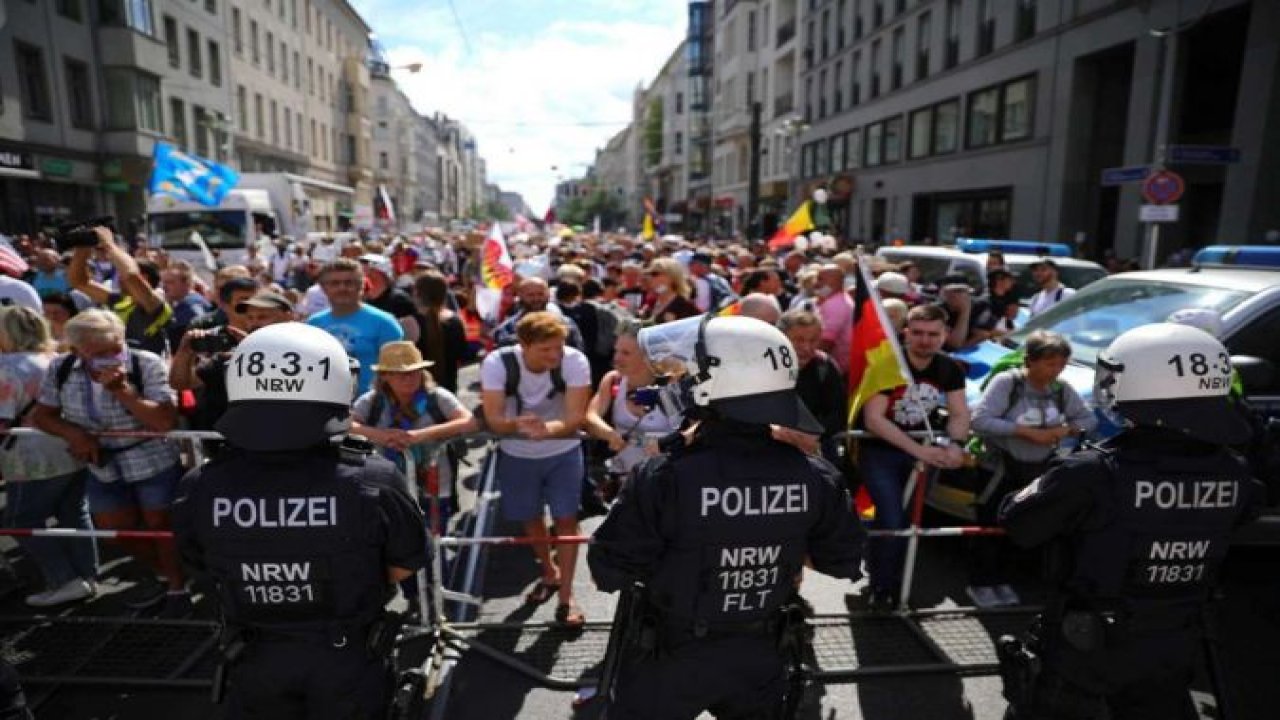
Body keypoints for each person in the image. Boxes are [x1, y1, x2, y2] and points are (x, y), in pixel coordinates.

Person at [588, 315, 866, 719]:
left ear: (715, 382)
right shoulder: (815, 474)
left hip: (668, 656)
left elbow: (608, 570)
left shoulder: (665, 475)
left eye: (689, 372)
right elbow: (842, 561)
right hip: (762, 656)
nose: (679, 381)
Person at [998, 323, 1264, 720]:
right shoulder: (1238, 474)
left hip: (1085, 656)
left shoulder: (1091, 473)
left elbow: (1018, 523)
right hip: (1174, 648)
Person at [172, 323, 427, 718]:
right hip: (347, 661)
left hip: (252, 659)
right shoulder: (374, 479)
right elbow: (403, 564)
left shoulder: (200, 485)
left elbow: (200, 564)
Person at [30, 310, 190, 616]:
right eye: (98, 353)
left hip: (151, 459)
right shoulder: (61, 367)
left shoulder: (145, 363)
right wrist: (73, 434)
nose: (109, 358)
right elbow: (43, 415)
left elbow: (164, 421)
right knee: (116, 529)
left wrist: (123, 391)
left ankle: (176, 587)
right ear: (78, 350)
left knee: (160, 526)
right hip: (101, 465)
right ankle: (162, 574)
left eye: (114, 348)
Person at [967, 330, 1096, 608]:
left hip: (1037, 472)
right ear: (1031, 361)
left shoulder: (1061, 389)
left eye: (1061, 364)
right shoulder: (1007, 383)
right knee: (989, 527)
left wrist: (1068, 428)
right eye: (1050, 363)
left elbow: (1088, 419)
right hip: (998, 470)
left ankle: (1008, 581)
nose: (1056, 370)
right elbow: (980, 421)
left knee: (1023, 526)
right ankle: (982, 583)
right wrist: (1024, 432)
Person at [480, 311, 592, 628]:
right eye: (546, 349)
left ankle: (567, 598)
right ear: (524, 345)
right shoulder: (497, 363)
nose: (555, 355)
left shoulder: (574, 361)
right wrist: (515, 424)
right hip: (516, 452)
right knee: (530, 518)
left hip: (563, 451)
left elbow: (574, 417)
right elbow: (494, 418)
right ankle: (548, 571)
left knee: (567, 521)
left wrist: (547, 429)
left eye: (558, 347)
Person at [858, 304, 970, 609]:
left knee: (910, 521)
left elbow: (960, 413)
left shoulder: (949, 369)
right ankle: (881, 587)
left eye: (933, 334)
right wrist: (919, 450)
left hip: (923, 451)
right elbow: (874, 419)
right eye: (917, 333)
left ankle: (896, 579)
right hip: (881, 450)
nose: (924, 340)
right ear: (905, 332)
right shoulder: (888, 364)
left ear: (945, 335)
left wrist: (956, 444)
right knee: (893, 518)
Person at [0, 307, 97, 607]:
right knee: (75, 512)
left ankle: (65, 580)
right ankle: (86, 577)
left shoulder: (6, 367)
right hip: (73, 448)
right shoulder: (58, 360)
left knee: (19, 520)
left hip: (31, 457)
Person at [351, 341, 474, 533]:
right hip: (386, 487)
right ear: (385, 376)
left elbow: (468, 421)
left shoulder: (438, 398)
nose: (409, 378)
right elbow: (345, 424)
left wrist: (420, 436)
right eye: (400, 374)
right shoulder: (372, 401)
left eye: (414, 372)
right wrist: (379, 435)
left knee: (432, 539)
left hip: (434, 485)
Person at [582, 322, 682, 502]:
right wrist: (610, 434)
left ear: (649, 356)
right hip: (625, 482)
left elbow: (694, 427)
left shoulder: (675, 384)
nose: (616, 358)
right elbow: (590, 417)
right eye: (616, 351)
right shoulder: (613, 380)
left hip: (667, 481)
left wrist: (666, 442)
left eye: (626, 353)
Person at [67, 227, 173, 355]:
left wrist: (109, 244)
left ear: (144, 278)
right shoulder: (121, 301)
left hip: (146, 370)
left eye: (120, 272)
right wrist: (83, 247)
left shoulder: (155, 304)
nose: (119, 278)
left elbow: (131, 274)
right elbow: (79, 282)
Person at [307, 258, 404, 395]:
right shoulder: (314, 323)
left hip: (371, 406)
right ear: (323, 288)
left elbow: (398, 370)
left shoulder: (385, 323)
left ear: (362, 286)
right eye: (335, 283)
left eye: (349, 283)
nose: (342, 288)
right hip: (325, 402)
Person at [780, 309, 848, 467]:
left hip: (817, 447)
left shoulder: (825, 367)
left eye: (813, 340)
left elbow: (839, 413)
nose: (806, 347)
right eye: (799, 340)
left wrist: (812, 435)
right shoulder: (764, 367)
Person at [410, 271, 468, 394]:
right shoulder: (456, 321)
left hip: (418, 393)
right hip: (448, 391)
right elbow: (461, 357)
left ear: (416, 293)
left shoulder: (410, 323)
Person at [813, 264, 853, 374]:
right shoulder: (835, 300)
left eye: (820, 279)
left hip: (836, 368)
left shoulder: (836, 304)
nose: (816, 284)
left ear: (834, 281)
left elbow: (826, 341)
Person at [641, 258, 700, 325]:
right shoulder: (651, 303)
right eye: (650, 274)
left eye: (655, 274)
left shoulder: (684, 307)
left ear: (671, 277)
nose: (650, 278)